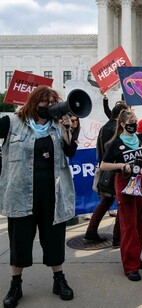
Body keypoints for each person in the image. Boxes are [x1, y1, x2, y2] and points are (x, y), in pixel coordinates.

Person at [0, 86, 78, 307]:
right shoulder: (11, 122)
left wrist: (67, 131)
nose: (49, 106)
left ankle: (59, 279)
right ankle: (16, 284)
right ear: (34, 102)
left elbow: (70, 152)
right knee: (20, 241)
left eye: (53, 101)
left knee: (53, 239)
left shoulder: (59, 125)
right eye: (45, 101)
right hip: (20, 193)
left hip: (53, 194)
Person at [100, 99, 142, 281]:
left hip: (141, 182)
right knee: (129, 226)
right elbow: (103, 165)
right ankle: (130, 266)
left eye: (135, 122)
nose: (133, 125)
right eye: (130, 123)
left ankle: (136, 258)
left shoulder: (139, 138)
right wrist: (122, 166)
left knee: (141, 222)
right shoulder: (115, 143)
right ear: (122, 124)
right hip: (124, 184)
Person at [84, 102, 130, 247]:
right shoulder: (115, 129)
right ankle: (117, 238)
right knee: (121, 203)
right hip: (115, 171)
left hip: (107, 171)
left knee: (107, 202)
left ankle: (91, 232)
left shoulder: (106, 127)